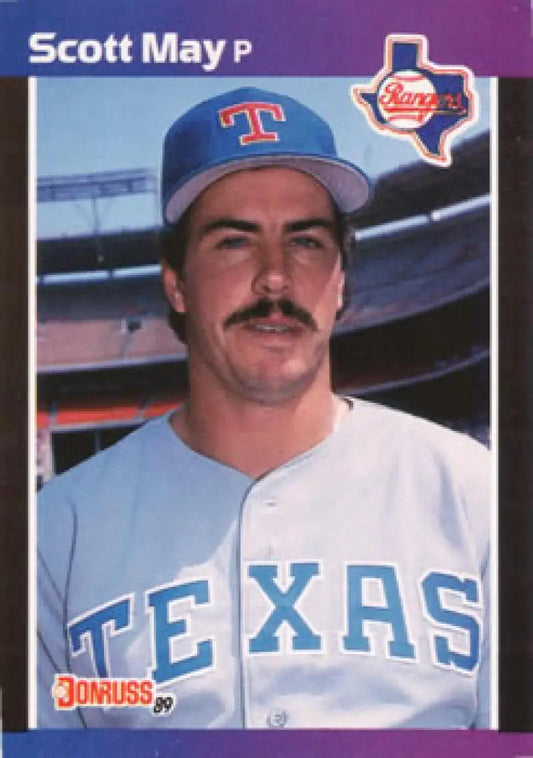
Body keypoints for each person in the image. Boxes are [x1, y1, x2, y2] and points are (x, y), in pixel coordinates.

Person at [38, 87, 490, 729]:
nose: (275, 279)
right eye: (234, 242)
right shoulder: (58, 531)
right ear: (177, 284)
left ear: (340, 280)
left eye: (306, 242)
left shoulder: (473, 494)